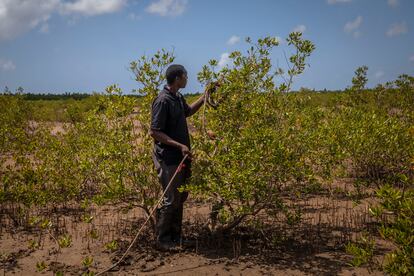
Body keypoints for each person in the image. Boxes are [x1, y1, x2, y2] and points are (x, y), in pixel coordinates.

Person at [149, 64, 210, 251]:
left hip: (181, 157)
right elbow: (155, 132)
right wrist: (180, 145)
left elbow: (188, 111)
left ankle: (176, 238)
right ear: (177, 78)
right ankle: (162, 240)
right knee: (171, 198)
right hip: (168, 158)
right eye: (185, 76)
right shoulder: (163, 100)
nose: (187, 79)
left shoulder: (177, 97)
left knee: (180, 196)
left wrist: (205, 95)